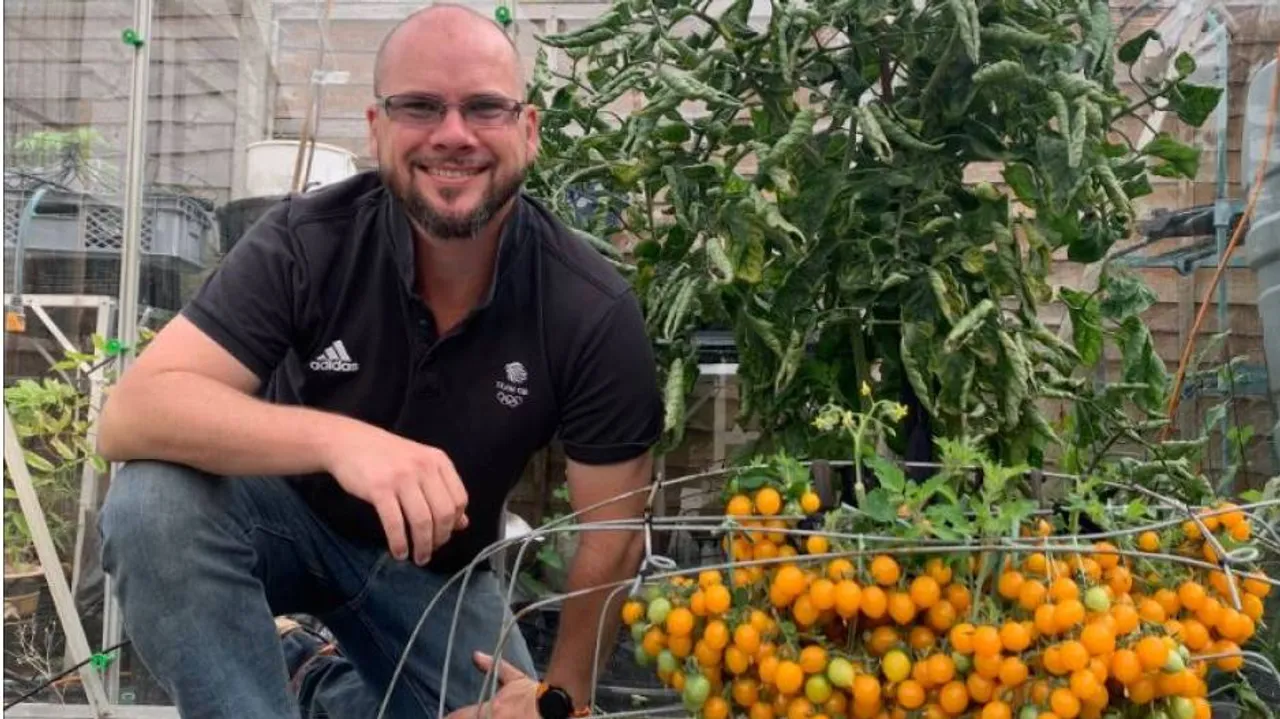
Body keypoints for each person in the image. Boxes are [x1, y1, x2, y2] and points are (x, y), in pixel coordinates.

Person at [94, 4, 663, 718]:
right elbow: (131, 414)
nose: (453, 134)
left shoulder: (589, 308)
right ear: (376, 128)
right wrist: (343, 442)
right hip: (282, 519)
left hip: (438, 572)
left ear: (528, 130)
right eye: (419, 106)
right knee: (153, 505)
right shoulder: (306, 241)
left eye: (484, 107)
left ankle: (316, 682)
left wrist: (560, 700)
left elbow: (611, 537)